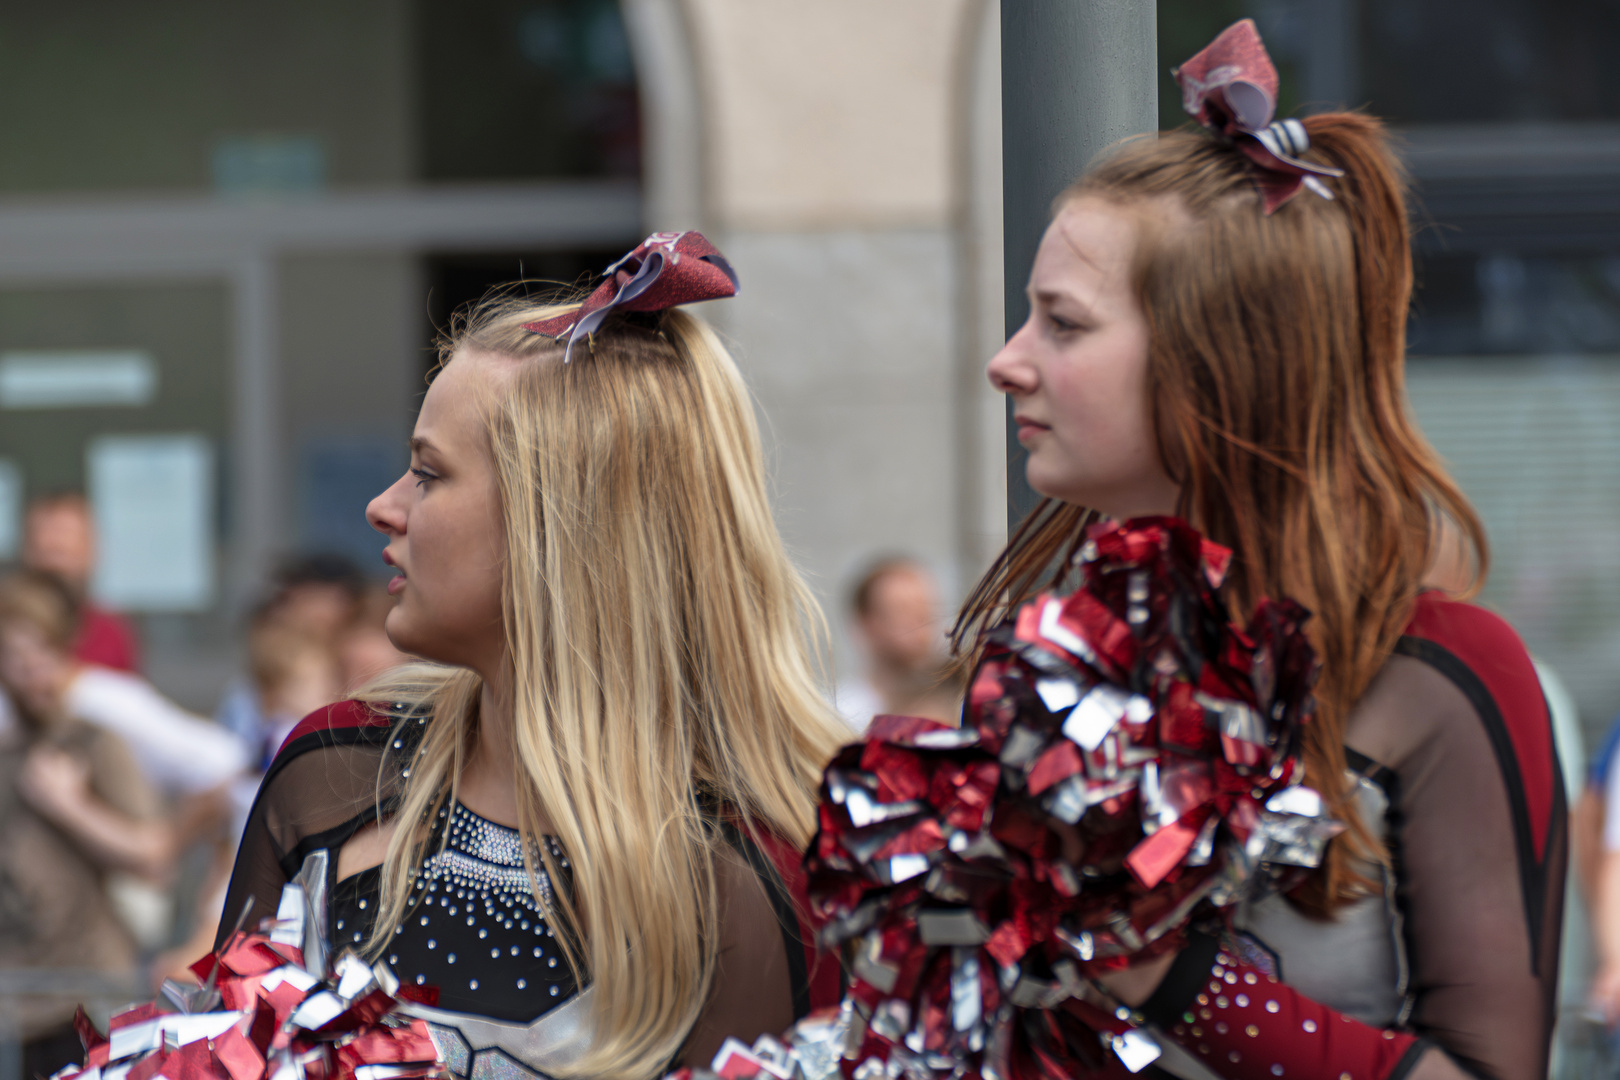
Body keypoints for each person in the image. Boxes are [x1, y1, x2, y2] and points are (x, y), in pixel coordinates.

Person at [954, 22, 1564, 1080]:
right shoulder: (1038, 664)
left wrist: (1180, 981)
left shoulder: (1444, 674)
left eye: (1061, 323)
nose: (1009, 363)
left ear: (1213, 362)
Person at [217, 232, 850, 1080]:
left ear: (560, 530)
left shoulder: (748, 871)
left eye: (428, 474)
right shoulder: (332, 769)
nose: (382, 507)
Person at [0, 571, 173, 1077]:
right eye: (17, 656)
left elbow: (154, 855)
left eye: (43, 653)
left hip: (86, 995)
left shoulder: (94, 742)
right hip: (17, 999)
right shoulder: (8, 754)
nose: (33, 671)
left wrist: (70, 808)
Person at [834, 557, 959, 731]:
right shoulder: (839, 715)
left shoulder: (959, 706)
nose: (920, 625)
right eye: (902, 610)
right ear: (866, 622)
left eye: (925, 611)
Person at [21, 492, 139, 673]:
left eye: (65, 553)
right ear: (29, 552)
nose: (56, 567)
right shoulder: (8, 624)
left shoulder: (109, 632)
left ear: (91, 551)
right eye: (48, 552)